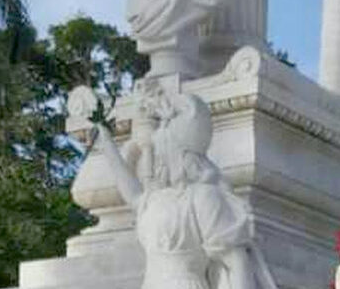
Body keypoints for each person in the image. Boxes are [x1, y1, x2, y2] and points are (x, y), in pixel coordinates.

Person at [91, 91, 276, 289]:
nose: (156, 160)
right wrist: (108, 146)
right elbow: (132, 195)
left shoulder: (203, 196)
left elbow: (236, 262)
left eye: (162, 153)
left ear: (180, 155)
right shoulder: (155, 199)